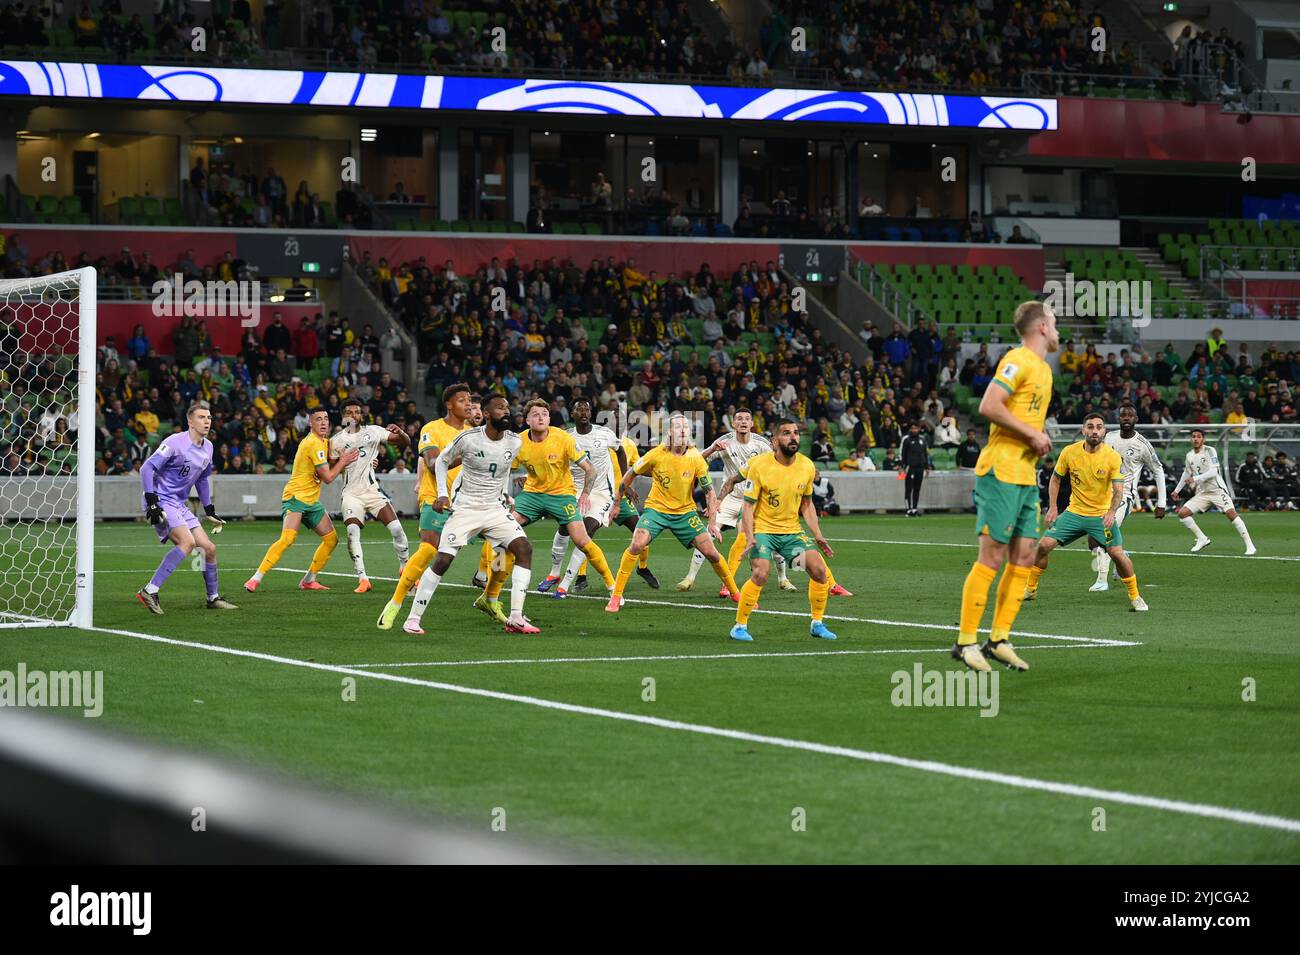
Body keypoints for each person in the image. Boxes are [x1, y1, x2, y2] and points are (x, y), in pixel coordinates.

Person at [953, 301, 1058, 674]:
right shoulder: (1019, 359)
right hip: (1000, 471)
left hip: (1026, 477)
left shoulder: (1044, 370)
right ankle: (965, 642)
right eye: (1055, 324)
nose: (1058, 331)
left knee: (1025, 557)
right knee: (992, 558)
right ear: (1042, 327)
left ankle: (998, 639)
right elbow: (989, 404)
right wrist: (1033, 433)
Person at [377, 394, 538, 634]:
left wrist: (505, 494)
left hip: (494, 509)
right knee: (440, 558)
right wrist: (443, 494)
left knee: (520, 549)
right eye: (500, 408)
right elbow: (439, 461)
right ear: (485, 413)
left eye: (507, 407)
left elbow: (502, 469)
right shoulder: (467, 438)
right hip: (465, 508)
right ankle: (409, 615)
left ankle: (510, 612)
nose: (506, 411)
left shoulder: (514, 442)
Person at [605, 414, 741, 613]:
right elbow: (630, 473)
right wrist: (617, 502)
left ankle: (735, 593)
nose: (683, 430)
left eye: (686, 427)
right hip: (656, 510)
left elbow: (709, 491)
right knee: (637, 544)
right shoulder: (656, 454)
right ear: (669, 431)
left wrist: (712, 522)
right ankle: (616, 596)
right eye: (678, 427)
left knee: (712, 553)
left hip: (685, 513)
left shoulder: (695, 457)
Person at [1023, 413, 1148, 612]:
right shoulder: (1069, 452)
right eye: (1090, 427)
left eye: (1099, 427)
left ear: (1104, 431)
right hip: (1074, 513)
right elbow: (1055, 479)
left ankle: (1135, 596)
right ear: (1083, 430)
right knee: (1043, 546)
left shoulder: (1112, 457)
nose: (1094, 431)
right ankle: (1030, 589)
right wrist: (1053, 507)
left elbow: (1118, 489)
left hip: (1100, 515)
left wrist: (1111, 512)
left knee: (1117, 554)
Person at [727, 419, 838, 643]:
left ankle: (817, 623)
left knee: (819, 571)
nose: (793, 437)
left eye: (796, 433)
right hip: (763, 530)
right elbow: (748, 505)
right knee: (761, 573)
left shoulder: (807, 466)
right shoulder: (759, 465)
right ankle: (739, 626)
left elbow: (806, 504)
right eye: (786, 433)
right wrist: (749, 536)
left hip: (791, 533)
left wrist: (817, 534)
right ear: (775, 440)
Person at [542, 397, 656, 597]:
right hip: (575, 491)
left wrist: (625, 485)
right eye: (580, 409)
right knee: (565, 529)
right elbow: (551, 459)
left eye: (587, 409)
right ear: (573, 414)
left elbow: (629, 461)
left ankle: (566, 583)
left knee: (600, 533)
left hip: (605, 493)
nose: (584, 412)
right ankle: (558, 574)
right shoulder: (566, 437)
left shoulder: (612, 438)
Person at [135, 401, 238, 614]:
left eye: (209, 417)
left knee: (208, 549)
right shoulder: (174, 442)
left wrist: (209, 509)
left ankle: (213, 598)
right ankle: (149, 590)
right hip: (161, 499)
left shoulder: (208, 447)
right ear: (190, 421)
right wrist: (152, 501)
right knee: (187, 542)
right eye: (202, 417)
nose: (207, 421)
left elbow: (201, 479)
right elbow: (147, 468)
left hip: (178, 503)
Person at [677, 409, 794, 595]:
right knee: (708, 534)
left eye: (747, 419)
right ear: (733, 423)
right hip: (730, 496)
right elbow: (698, 459)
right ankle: (690, 578)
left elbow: (779, 458)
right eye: (739, 419)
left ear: (752, 423)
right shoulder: (724, 442)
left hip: (754, 499)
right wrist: (712, 449)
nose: (743, 422)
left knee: (764, 534)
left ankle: (782, 578)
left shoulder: (761, 443)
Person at [244, 410, 358, 592]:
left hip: (312, 501)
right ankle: (255, 579)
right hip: (296, 497)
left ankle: (309, 580)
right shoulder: (313, 443)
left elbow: (337, 460)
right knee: (288, 538)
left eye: (326, 419)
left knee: (331, 540)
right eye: (318, 419)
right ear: (310, 424)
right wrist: (343, 460)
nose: (323, 422)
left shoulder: (325, 442)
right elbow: (328, 477)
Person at [331, 400, 411, 593]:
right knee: (352, 533)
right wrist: (343, 461)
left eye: (357, 412)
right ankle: (363, 579)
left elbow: (405, 442)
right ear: (343, 416)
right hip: (351, 494)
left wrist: (400, 432)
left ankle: (406, 569)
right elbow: (330, 470)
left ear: (361, 415)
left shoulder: (374, 431)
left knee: (397, 529)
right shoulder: (336, 441)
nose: (353, 415)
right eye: (349, 412)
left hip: (372, 492)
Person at [1088, 403, 1166, 592]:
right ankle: (1122, 556)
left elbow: (1158, 469)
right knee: (1092, 541)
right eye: (1123, 415)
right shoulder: (1109, 438)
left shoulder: (1142, 445)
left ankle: (1101, 580)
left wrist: (1161, 502)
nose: (1126, 418)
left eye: (1130, 415)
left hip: (1124, 496)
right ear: (1118, 418)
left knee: (1104, 531)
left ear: (1136, 419)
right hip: (1102, 495)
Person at [1171, 428, 1257, 555]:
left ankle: (1250, 546)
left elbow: (1214, 472)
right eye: (1193, 436)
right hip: (1203, 493)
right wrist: (1176, 490)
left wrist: (1195, 478)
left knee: (1231, 514)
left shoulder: (1210, 450)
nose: (1195, 439)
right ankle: (1202, 539)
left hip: (1217, 490)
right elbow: (1186, 473)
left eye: (1199, 436)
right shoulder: (1189, 455)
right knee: (1183, 513)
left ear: (1203, 439)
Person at [900, 421, 931, 516]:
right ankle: (908, 509)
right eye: (912, 428)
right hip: (910, 467)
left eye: (916, 428)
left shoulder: (922, 439)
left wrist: (927, 466)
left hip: (920, 468)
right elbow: (902, 454)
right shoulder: (906, 439)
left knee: (917, 489)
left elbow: (925, 454)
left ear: (919, 429)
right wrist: (902, 467)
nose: (914, 430)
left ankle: (914, 508)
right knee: (909, 488)